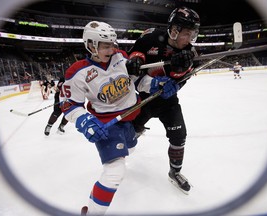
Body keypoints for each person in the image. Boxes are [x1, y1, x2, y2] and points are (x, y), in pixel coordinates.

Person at [60, 21, 179, 215]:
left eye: (113, 44)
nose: (112, 49)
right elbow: (68, 104)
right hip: (107, 126)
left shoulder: (122, 58)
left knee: (130, 148)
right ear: (91, 45)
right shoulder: (77, 72)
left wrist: (156, 84)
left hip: (130, 121)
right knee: (115, 172)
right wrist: (84, 120)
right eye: (106, 45)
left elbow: (138, 81)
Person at [126, 6, 200, 194]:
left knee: (179, 135)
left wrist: (176, 83)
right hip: (143, 101)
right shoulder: (150, 37)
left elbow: (183, 79)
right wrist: (135, 62)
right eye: (187, 34)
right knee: (128, 139)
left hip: (168, 102)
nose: (190, 39)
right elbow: (133, 66)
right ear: (174, 30)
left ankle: (175, 172)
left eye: (193, 34)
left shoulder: (191, 54)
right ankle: (120, 156)